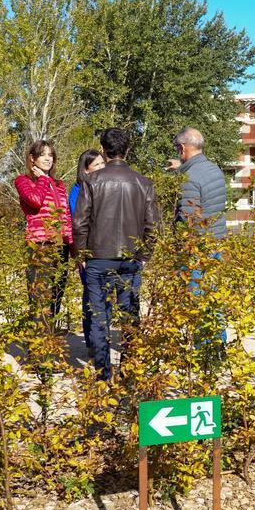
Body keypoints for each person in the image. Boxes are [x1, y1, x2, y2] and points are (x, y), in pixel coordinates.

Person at [72, 128, 160, 381]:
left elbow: (80, 223)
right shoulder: (143, 183)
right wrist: (145, 255)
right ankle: (129, 373)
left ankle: (103, 375)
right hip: (131, 259)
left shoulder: (91, 181)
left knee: (100, 317)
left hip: (98, 257)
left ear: (103, 150)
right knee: (130, 316)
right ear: (128, 150)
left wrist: (82, 255)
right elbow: (152, 225)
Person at [172, 127, 229, 355]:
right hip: (216, 241)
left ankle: (203, 352)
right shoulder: (213, 169)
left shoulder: (190, 177)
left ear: (183, 148)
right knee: (214, 299)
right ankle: (218, 348)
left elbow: (188, 218)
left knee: (196, 300)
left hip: (197, 247)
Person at [14, 140, 73, 329]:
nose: (48, 159)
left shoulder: (59, 184)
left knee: (56, 295)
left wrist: (71, 245)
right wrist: (43, 180)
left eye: (50, 155)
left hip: (59, 245)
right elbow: (35, 200)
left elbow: (66, 215)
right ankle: (37, 351)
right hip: (39, 245)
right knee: (39, 298)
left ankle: (50, 342)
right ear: (32, 158)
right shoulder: (23, 180)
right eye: (43, 155)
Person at [70, 149, 106, 341]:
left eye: (103, 164)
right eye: (97, 165)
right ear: (85, 169)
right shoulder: (78, 190)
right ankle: (91, 339)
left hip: (105, 248)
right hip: (88, 249)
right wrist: (80, 254)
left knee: (105, 295)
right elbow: (78, 222)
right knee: (90, 295)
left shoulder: (105, 186)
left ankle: (100, 337)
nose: (102, 168)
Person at [68, 150, 105, 216]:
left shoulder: (107, 185)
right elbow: (77, 216)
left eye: (102, 163)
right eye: (96, 164)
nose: (101, 167)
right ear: (86, 170)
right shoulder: (77, 190)